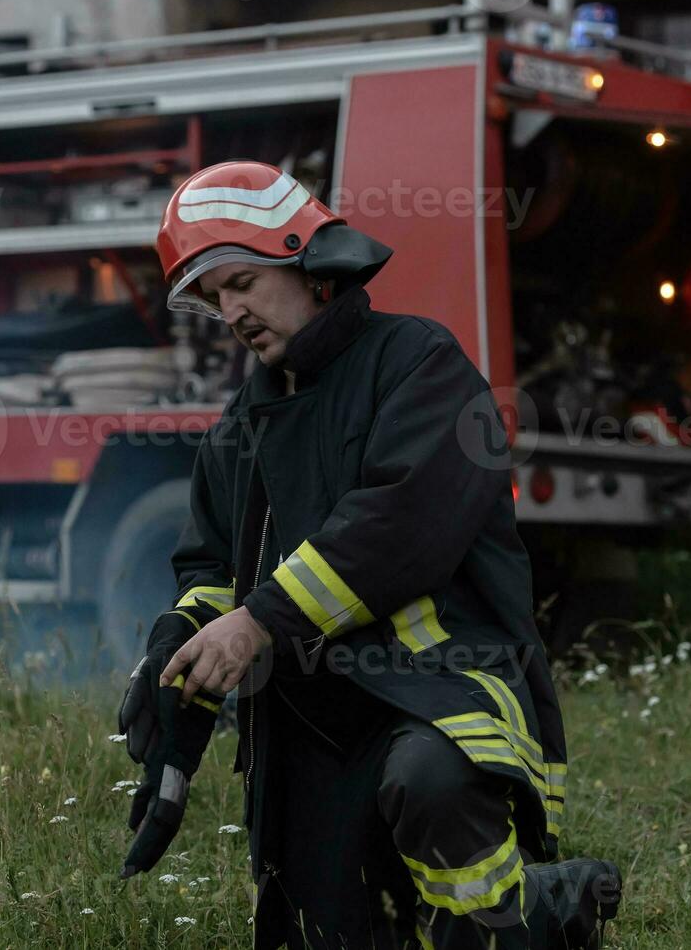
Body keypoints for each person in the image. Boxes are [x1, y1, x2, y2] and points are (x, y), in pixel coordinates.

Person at [117, 160, 621, 949]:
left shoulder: (419, 363)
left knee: (431, 791)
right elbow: (214, 569)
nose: (233, 312)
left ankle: (534, 920)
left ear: (309, 262)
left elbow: (398, 529)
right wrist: (178, 654)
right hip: (308, 725)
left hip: (437, 691)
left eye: (243, 281)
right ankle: (537, 908)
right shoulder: (241, 424)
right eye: (217, 299)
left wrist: (257, 624)